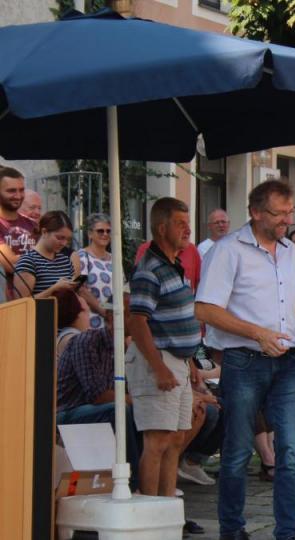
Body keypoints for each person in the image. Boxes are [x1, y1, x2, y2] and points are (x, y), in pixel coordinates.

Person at [195, 180, 295, 540]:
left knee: (291, 451)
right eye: (278, 213)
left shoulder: (287, 251)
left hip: (288, 363)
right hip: (244, 361)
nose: (287, 220)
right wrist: (258, 334)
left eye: (290, 212)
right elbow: (205, 308)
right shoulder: (227, 250)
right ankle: (232, 530)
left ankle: (287, 532)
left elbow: (293, 307)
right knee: (237, 453)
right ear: (255, 212)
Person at [126, 197, 203, 498]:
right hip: (158, 361)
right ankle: (150, 510)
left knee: (175, 439)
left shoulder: (176, 265)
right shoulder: (149, 270)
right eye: (180, 224)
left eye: (188, 223)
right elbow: (137, 322)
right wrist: (158, 367)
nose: (188, 230)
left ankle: (167, 508)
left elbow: (182, 320)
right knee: (157, 441)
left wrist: (194, 363)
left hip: (179, 361)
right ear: (161, 228)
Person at [54, 289, 141, 489]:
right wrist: (135, 401)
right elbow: (98, 395)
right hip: (68, 412)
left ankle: (147, 478)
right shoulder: (87, 341)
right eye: (131, 314)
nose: (136, 320)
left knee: (145, 413)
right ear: (112, 316)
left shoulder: (127, 347)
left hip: (91, 408)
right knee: (120, 410)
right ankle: (134, 481)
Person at [13, 210, 80, 299]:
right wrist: (52, 290)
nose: (64, 243)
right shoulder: (28, 261)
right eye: (60, 238)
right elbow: (21, 304)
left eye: (68, 240)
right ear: (44, 232)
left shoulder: (65, 260)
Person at [0, 167, 36, 297]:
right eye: (11, 191)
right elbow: (11, 265)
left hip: (38, 299)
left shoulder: (33, 224)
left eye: (21, 190)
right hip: (8, 303)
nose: (18, 196)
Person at [77, 213, 113, 329]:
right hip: (91, 321)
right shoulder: (82, 256)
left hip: (113, 321)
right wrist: (104, 312)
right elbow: (81, 289)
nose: (105, 234)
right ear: (90, 234)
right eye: (100, 231)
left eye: (108, 231)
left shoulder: (115, 259)